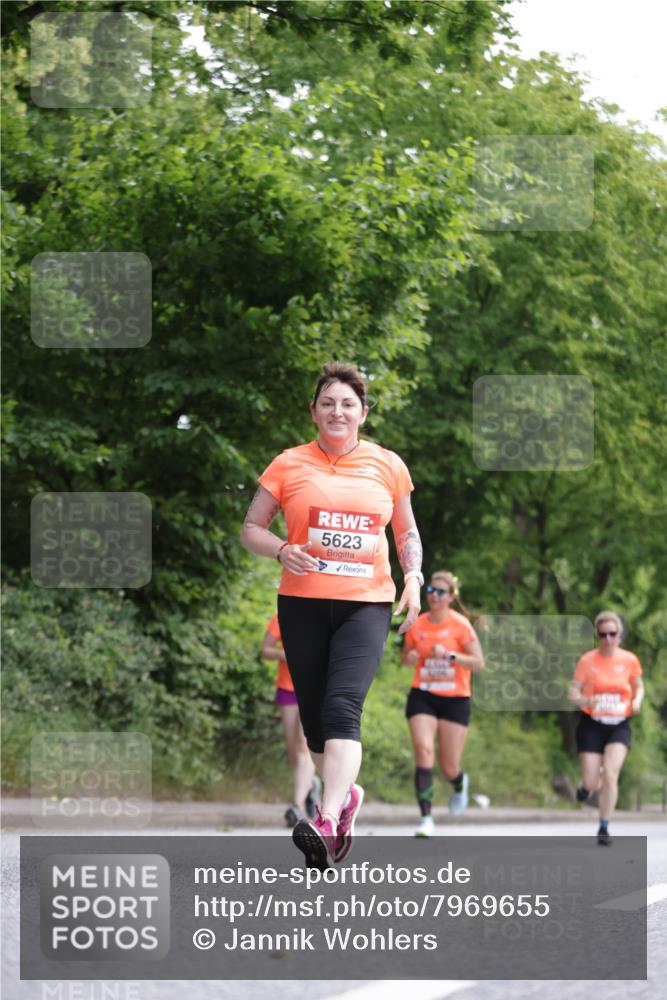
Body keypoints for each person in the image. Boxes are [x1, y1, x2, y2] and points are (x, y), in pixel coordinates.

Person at [240, 361, 422, 869]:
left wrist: (413, 577)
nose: (337, 411)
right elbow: (251, 527)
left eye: (347, 403)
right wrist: (280, 550)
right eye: (328, 403)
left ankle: (325, 816)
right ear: (314, 412)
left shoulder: (387, 464)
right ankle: (346, 799)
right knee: (317, 728)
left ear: (362, 412)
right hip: (301, 603)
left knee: (344, 708)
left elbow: (406, 533)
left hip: (366, 603)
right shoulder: (288, 464)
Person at [401, 570, 485, 837]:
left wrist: (450, 655)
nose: (433, 596)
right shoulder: (418, 623)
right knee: (423, 751)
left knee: (449, 766)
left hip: (455, 699)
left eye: (439, 592)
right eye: (430, 591)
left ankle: (460, 783)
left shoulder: (461, 625)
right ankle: (426, 818)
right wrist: (411, 656)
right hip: (423, 695)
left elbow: (479, 663)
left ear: (450, 597)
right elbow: (405, 657)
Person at [569, 610, 644, 846]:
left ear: (620, 633)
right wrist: (583, 700)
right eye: (603, 634)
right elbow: (573, 691)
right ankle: (585, 787)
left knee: (610, 775)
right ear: (597, 635)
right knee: (592, 781)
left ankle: (604, 826)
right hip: (592, 723)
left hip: (619, 725)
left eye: (612, 634)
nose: (608, 639)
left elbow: (638, 686)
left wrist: (637, 701)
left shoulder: (629, 660)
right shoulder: (587, 660)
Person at [261, 613, 321, 827]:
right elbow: (265, 650)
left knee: (304, 747)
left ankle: (297, 807)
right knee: (293, 751)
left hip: (312, 688)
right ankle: (310, 786)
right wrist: (283, 655)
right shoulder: (282, 616)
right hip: (287, 689)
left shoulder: (322, 614)